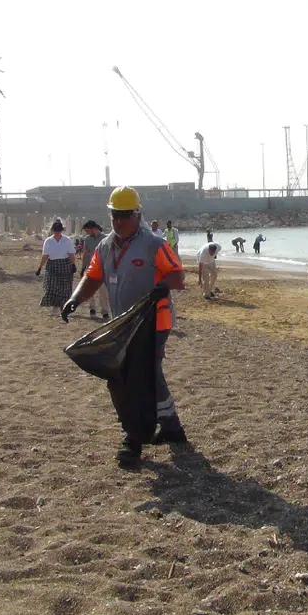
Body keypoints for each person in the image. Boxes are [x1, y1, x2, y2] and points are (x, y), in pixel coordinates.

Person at [64, 186, 189, 466]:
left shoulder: (154, 244)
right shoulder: (105, 247)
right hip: (123, 324)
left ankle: (132, 439)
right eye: (115, 215)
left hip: (154, 322)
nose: (119, 221)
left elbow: (178, 276)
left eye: (125, 215)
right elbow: (93, 277)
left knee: (134, 377)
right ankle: (171, 426)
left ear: (137, 214)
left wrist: (162, 286)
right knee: (147, 374)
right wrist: (75, 299)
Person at [36, 220, 76, 314]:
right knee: (51, 287)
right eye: (56, 231)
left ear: (61, 231)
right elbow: (45, 256)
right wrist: (40, 268)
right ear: (53, 231)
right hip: (52, 265)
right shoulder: (48, 241)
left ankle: (63, 306)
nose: (57, 233)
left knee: (64, 287)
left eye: (59, 231)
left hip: (65, 265)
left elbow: (71, 254)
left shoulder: (67, 240)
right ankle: (55, 306)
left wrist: (73, 264)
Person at [80, 220, 110, 319]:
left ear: (94, 229)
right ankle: (92, 308)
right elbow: (86, 252)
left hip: (102, 268)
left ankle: (104, 311)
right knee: (89, 290)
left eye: (88, 231)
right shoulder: (87, 239)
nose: (87, 233)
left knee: (103, 291)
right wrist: (83, 267)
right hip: (90, 267)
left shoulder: (105, 239)